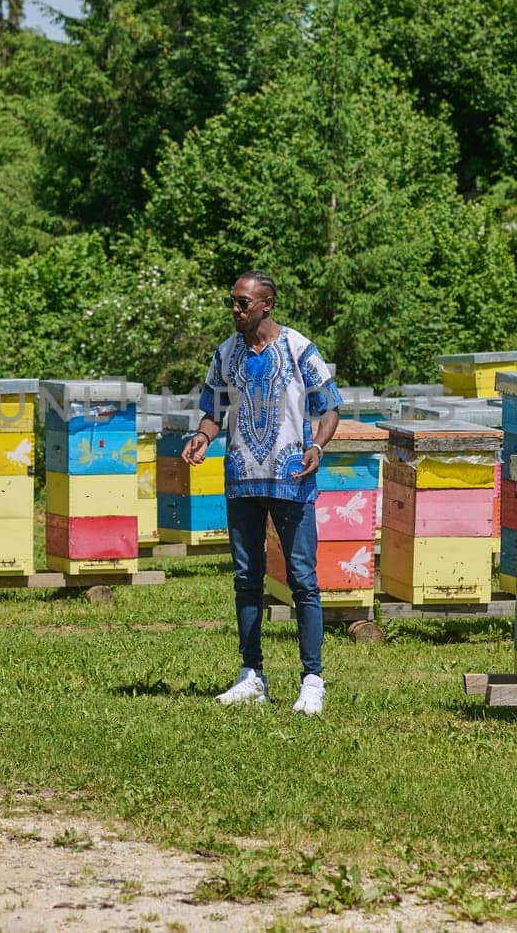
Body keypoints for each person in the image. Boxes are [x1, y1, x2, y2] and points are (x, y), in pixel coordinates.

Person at [183, 271, 341, 715]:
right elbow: (213, 411)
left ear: (267, 304)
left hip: (291, 478)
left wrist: (316, 445)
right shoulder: (225, 353)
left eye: (243, 303)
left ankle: (312, 679)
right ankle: (251, 674)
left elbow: (328, 408)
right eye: (232, 302)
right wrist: (202, 437)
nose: (235, 310)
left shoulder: (298, 349)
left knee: (302, 580)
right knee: (246, 580)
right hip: (242, 478)